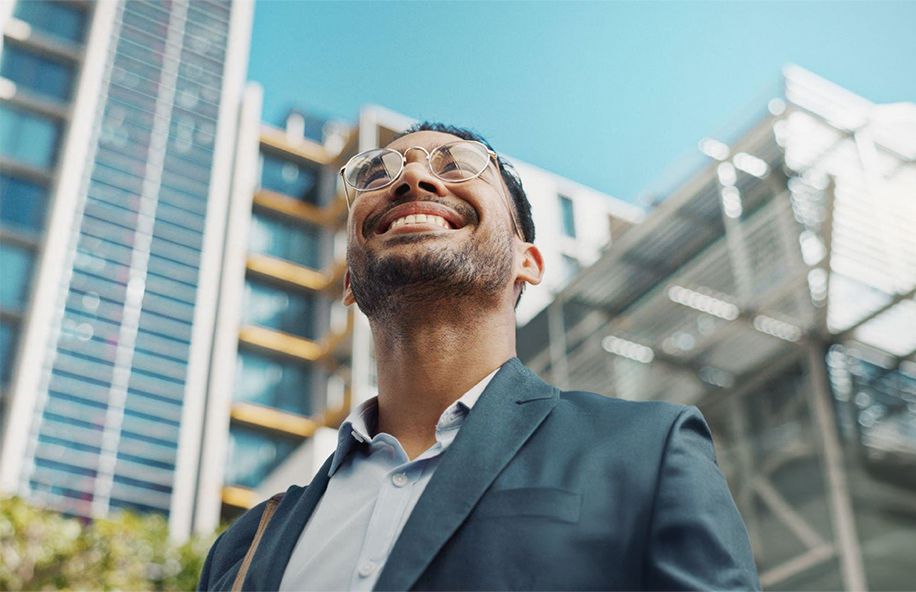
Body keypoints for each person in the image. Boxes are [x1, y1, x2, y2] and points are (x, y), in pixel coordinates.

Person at [198, 123, 760, 591]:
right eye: (378, 172)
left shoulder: (648, 449)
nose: (413, 177)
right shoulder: (245, 547)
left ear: (529, 262)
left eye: (457, 164)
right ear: (348, 282)